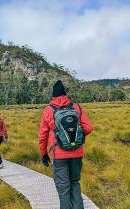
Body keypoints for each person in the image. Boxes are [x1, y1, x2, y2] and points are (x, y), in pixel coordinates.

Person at [38, 80, 93, 209]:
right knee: (75, 182)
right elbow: (89, 128)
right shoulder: (76, 107)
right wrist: (78, 134)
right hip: (77, 152)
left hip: (58, 154)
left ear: (53, 95)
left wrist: (43, 153)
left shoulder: (48, 110)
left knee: (63, 188)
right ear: (65, 94)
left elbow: (43, 136)